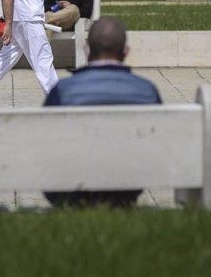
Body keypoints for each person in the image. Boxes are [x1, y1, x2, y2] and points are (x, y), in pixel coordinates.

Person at [43, 17, 162, 208]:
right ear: (126, 52)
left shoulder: (63, 90)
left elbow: (47, 143)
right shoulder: (147, 90)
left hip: (71, 188)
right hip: (127, 185)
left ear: (86, 49)